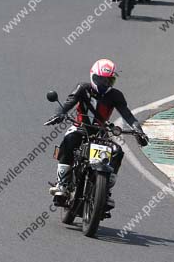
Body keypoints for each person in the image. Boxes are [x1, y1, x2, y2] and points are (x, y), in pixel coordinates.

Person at [45, 59, 149, 210]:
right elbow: (68, 103)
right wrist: (59, 114)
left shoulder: (116, 95)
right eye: (101, 79)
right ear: (93, 76)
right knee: (69, 140)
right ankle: (62, 184)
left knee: (117, 152)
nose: (105, 84)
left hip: (101, 133)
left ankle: (105, 190)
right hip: (80, 128)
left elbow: (128, 116)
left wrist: (139, 130)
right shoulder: (83, 88)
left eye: (109, 80)